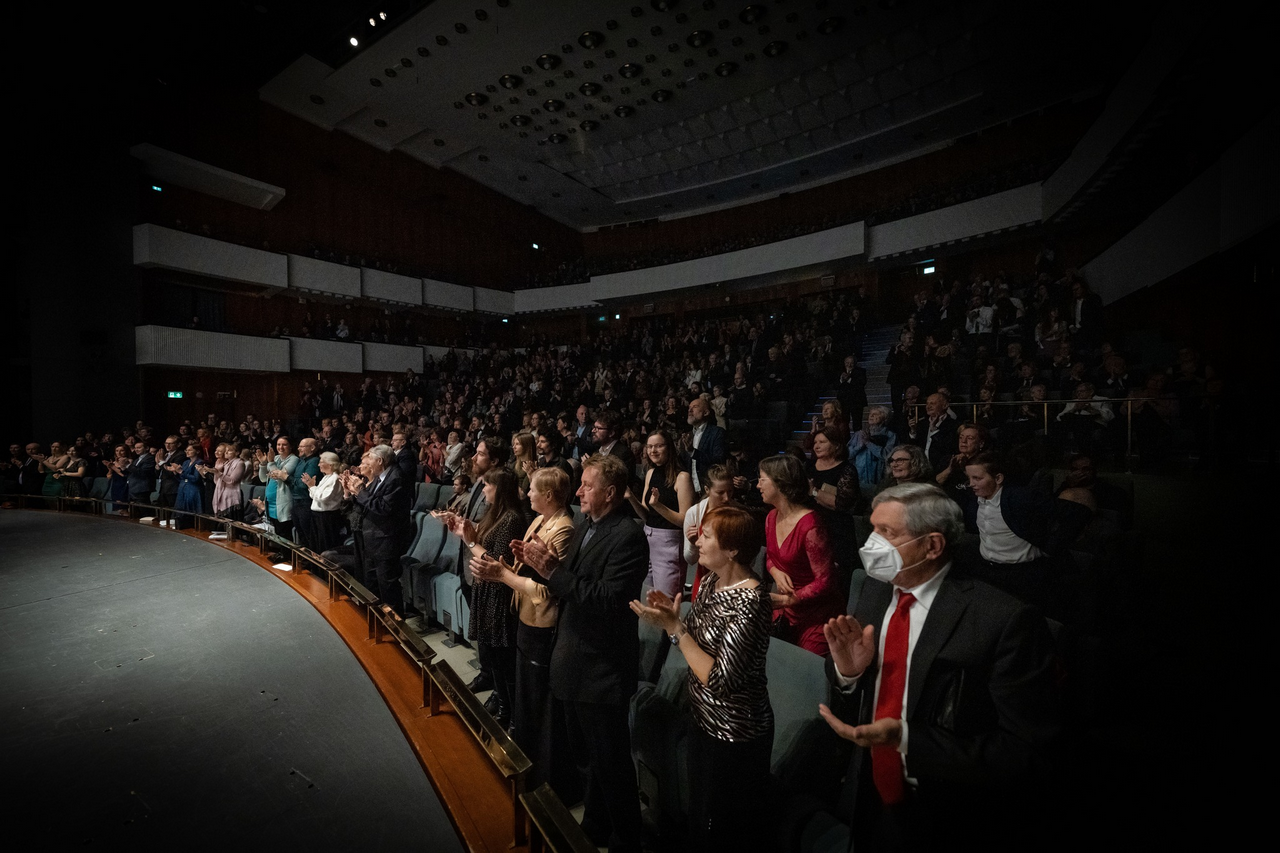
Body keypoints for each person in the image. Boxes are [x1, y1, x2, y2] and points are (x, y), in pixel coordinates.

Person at [817, 482, 1061, 851]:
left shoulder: (1003, 620)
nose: (872, 543)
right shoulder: (876, 589)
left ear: (932, 545)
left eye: (887, 532)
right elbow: (859, 689)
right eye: (873, 529)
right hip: (868, 790)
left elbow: (1025, 752)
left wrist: (907, 739)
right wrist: (848, 674)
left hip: (946, 808)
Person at [509, 454, 647, 853]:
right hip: (572, 659)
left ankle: (626, 840)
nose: (580, 491)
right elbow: (569, 581)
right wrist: (544, 564)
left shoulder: (628, 536)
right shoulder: (588, 524)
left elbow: (607, 599)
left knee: (611, 764)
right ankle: (596, 826)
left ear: (611, 493)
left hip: (601, 668)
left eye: (587, 485)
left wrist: (553, 572)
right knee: (587, 760)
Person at [630, 505, 772, 852]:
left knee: (722, 827)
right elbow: (693, 639)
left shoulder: (751, 601)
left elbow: (720, 680)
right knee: (699, 814)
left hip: (734, 733)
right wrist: (668, 620)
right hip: (702, 717)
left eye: (707, 536)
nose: (697, 541)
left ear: (733, 549)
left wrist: (675, 629)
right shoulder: (710, 580)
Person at [470, 466, 575, 789]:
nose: (526, 493)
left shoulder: (564, 528)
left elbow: (547, 589)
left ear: (548, 495)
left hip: (543, 621)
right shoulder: (539, 521)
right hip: (524, 615)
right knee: (524, 697)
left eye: (532, 489)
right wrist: (501, 567)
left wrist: (501, 575)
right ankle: (524, 760)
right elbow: (524, 570)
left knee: (539, 702)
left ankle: (543, 775)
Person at [445, 467, 526, 726]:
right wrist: (464, 533)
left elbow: (495, 561)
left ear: (499, 489)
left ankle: (510, 717)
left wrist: (470, 543)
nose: (485, 490)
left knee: (502, 661)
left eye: (488, 486)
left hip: (499, 594)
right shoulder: (496, 514)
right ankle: (503, 708)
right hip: (486, 591)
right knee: (493, 658)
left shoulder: (512, 518)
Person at [758, 454, 843, 656]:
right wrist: (775, 571)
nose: (758, 485)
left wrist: (787, 600)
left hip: (816, 616)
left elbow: (826, 581)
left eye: (762, 479)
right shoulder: (771, 517)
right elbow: (770, 558)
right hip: (785, 611)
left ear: (780, 483)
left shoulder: (810, 524)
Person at [342, 444, 413, 616]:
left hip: (386, 541)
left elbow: (383, 508)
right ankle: (377, 620)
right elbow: (367, 504)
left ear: (380, 461)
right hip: (373, 540)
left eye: (370, 460)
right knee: (372, 584)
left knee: (388, 587)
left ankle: (395, 625)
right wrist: (353, 491)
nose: (367, 463)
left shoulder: (396, 478)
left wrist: (360, 491)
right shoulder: (380, 477)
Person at [627, 429, 695, 598]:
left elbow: (684, 520)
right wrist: (631, 497)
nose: (653, 451)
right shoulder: (650, 473)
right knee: (648, 598)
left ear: (669, 447)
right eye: (650, 446)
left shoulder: (682, 477)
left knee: (666, 601)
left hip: (669, 543)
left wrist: (658, 506)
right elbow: (646, 515)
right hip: (647, 538)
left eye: (658, 446)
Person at [683, 464, 736, 599]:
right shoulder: (695, 513)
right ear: (707, 489)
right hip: (703, 578)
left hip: (731, 581)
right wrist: (694, 544)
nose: (726, 498)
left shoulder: (738, 514)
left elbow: (748, 559)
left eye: (730, 491)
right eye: (720, 493)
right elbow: (690, 559)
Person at [256, 436, 299, 542]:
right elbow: (263, 478)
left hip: (282, 502)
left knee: (284, 534)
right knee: (276, 534)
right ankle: (279, 550)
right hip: (270, 503)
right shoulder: (276, 458)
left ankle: (286, 552)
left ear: (291, 446)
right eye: (279, 444)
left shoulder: (294, 459)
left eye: (284, 444)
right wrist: (263, 464)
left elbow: (279, 476)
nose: (281, 447)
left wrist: (270, 462)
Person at [933, 423, 989, 504]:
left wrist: (965, 470)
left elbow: (985, 487)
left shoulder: (985, 462)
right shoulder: (948, 460)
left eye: (969, 438)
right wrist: (949, 470)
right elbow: (934, 485)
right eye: (961, 437)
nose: (963, 441)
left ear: (981, 443)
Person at [302, 451, 344, 553]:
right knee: (315, 546)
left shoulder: (335, 478)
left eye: (321, 462)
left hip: (327, 517)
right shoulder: (326, 477)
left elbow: (324, 498)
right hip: (318, 515)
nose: (318, 465)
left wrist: (312, 486)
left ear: (330, 464)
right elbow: (314, 496)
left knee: (324, 546)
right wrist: (311, 486)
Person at [686, 396, 727, 494]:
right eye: (689, 408)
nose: (690, 410)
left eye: (695, 407)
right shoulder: (688, 436)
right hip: (691, 491)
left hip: (711, 490)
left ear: (706, 412)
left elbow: (719, 461)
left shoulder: (717, 433)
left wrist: (693, 452)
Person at [849, 405, 897, 487]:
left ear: (884, 418)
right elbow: (848, 455)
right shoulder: (859, 434)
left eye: (876, 414)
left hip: (880, 479)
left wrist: (869, 444)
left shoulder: (890, 436)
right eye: (870, 414)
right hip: (859, 479)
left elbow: (887, 456)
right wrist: (859, 447)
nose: (871, 416)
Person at [209, 442, 247, 521]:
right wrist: (215, 472)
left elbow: (232, 480)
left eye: (229, 450)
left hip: (232, 495)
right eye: (226, 450)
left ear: (237, 453)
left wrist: (218, 473)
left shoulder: (240, 463)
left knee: (231, 521)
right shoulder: (226, 463)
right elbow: (217, 481)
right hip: (222, 493)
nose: (226, 452)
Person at [169, 443, 204, 528]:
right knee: (180, 508)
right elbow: (181, 478)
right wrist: (176, 473)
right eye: (186, 450)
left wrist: (181, 472)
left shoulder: (199, 462)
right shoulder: (185, 462)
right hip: (183, 488)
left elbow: (195, 478)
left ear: (197, 451)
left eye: (190, 450)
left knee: (192, 509)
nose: (187, 452)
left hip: (193, 489)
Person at [125, 439, 156, 510]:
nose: (136, 449)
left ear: (146, 448)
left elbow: (143, 472)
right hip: (134, 488)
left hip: (142, 489)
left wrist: (128, 465)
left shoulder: (150, 458)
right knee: (135, 511)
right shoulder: (137, 459)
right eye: (135, 448)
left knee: (144, 510)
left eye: (139, 448)